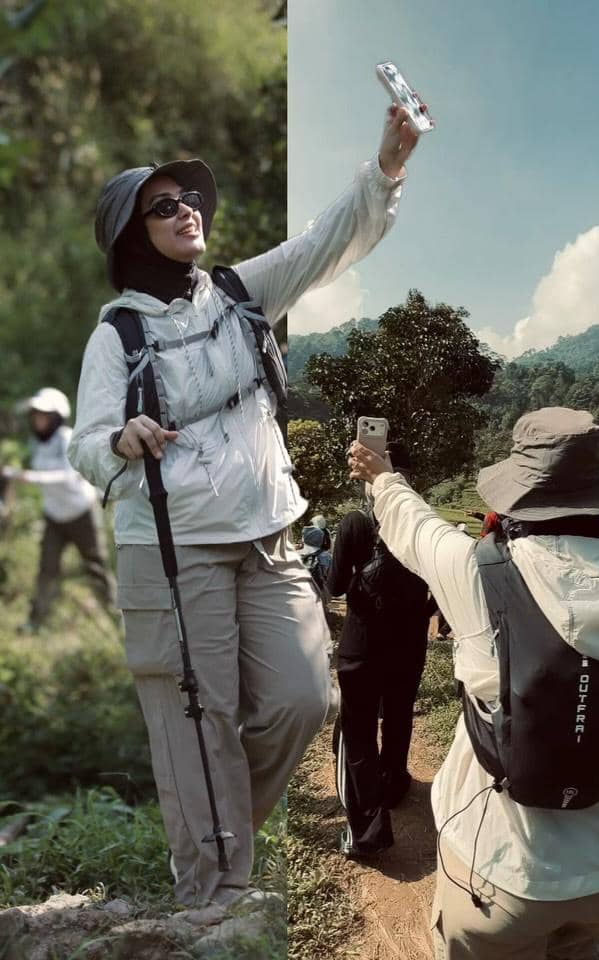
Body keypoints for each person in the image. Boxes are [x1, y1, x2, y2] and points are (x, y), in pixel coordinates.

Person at [67, 102, 426, 908]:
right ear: (131, 234)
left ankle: (220, 838)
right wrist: (119, 439)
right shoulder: (115, 337)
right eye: (163, 205)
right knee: (199, 722)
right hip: (173, 548)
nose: (186, 209)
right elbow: (83, 445)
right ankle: (211, 893)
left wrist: (388, 167)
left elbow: (324, 243)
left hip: (269, 541)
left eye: (187, 199)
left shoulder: (238, 294)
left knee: (304, 698)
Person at [348, 407, 599, 960]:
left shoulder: (476, 572)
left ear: (514, 493)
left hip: (495, 871)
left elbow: (413, 525)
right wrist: (598, 728)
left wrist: (382, 475)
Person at [328, 440, 431, 857]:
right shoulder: (425, 526)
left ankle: (369, 829)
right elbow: (439, 593)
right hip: (408, 645)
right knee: (400, 716)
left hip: (362, 645)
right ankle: (394, 783)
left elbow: (334, 586)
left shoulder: (355, 524)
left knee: (359, 729)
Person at [1, 388, 115, 631]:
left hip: (80, 513)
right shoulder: (37, 443)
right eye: (35, 415)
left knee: (95, 566)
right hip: (54, 516)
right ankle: (36, 622)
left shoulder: (67, 438)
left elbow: (69, 476)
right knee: (47, 569)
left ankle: (114, 616)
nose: (37, 420)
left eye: (43, 414)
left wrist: (31, 477)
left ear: (55, 416)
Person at [300, 524, 332, 597]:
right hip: (321, 595)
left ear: (305, 538)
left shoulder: (296, 555)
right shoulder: (327, 556)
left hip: (302, 595)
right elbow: (331, 578)